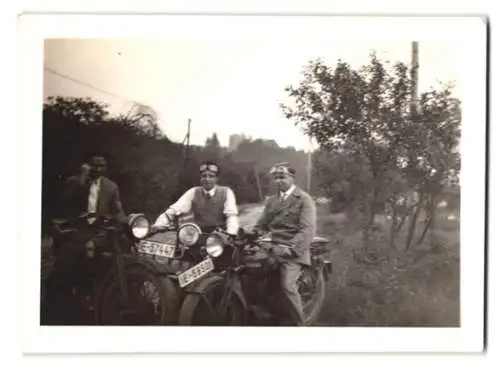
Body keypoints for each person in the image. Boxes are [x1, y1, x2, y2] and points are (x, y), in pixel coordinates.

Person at [253, 162, 317, 326]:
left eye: (282, 177)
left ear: (292, 178)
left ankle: (299, 324)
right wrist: (251, 234)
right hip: (273, 247)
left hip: (293, 250)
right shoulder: (272, 200)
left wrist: (290, 249)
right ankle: (263, 311)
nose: (278, 181)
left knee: (287, 286)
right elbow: (262, 225)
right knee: (249, 270)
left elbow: (307, 230)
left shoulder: (303, 199)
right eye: (275, 178)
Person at [152, 161, 239, 236]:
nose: (207, 179)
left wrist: (230, 234)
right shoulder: (194, 191)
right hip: (198, 234)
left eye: (211, 176)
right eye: (204, 176)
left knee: (227, 254)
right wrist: (159, 223)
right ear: (200, 178)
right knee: (183, 253)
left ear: (216, 179)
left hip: (219, 236)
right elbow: (174, 210)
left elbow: (231, 216)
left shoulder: (226, 192)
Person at [60, 156, 126, 223]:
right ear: (87, 166)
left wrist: (126, 223)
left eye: (102, 166)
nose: (98, 170)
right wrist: (83, 177)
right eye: (95, 166)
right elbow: (66, 200)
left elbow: (117, 211)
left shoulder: (111, 186)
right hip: (77, 226)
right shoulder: (73, 181)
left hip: (100, 227)